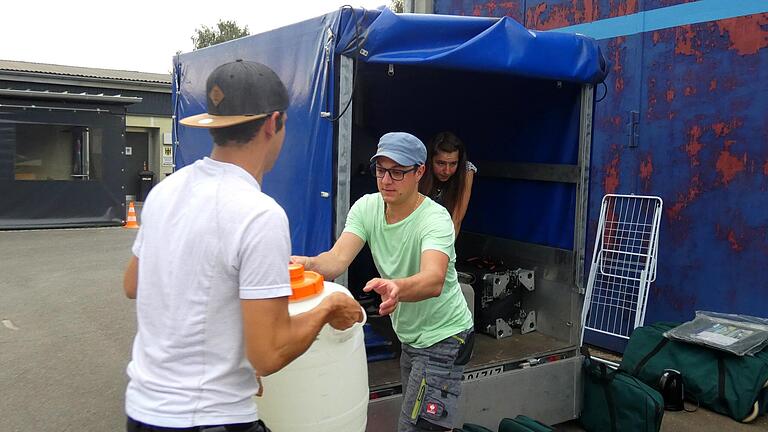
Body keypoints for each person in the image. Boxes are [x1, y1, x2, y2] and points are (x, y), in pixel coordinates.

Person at [122, 60, 362, 432]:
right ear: (273, 123)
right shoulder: (259, 215)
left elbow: (134, 284)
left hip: (143, 411)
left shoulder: (166, 191)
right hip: (210, 419)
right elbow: (268, 353)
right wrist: (328, 307)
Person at [292, 132, 474, 432]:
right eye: (381, 170)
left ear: (419, 172)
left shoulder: (435, 219)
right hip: (411, 337)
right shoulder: (367, 208)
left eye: (398, 172)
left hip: (445, 337)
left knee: (416, 427)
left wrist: (398, 288)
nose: (387, 180)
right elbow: (336, 260)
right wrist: (306, 264)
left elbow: (434, 279)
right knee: (421, 421)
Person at [419, 131, 477, 237]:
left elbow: (457, 219)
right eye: (441, 163)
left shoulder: (466, 171)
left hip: (444, 237)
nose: (447, 171)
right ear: (430, 161)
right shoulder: (419, 170)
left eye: (453, 164)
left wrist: (446, 251)